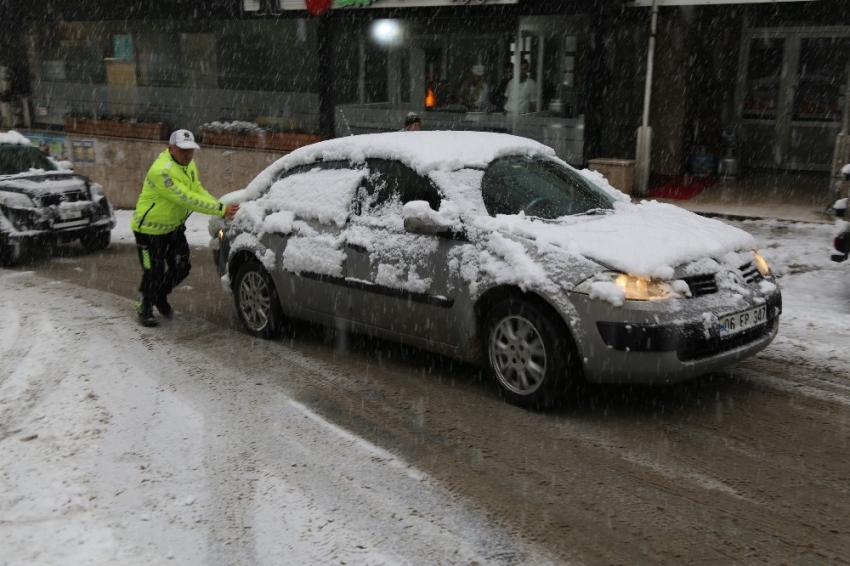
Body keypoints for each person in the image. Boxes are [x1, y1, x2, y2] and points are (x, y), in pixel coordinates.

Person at [131, 129, 239, 327]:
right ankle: (144, 304)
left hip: (173, 228)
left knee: (182, 267)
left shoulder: (188, 165)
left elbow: (196, 189)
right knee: (153, 272)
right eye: (182, 149)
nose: (188, 154)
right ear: (171, 148)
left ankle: (159, 296)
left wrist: (218, 206)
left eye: (191, 149)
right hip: (148, 231)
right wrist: (220, 208)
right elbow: (186, 198)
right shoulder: (162, 171)